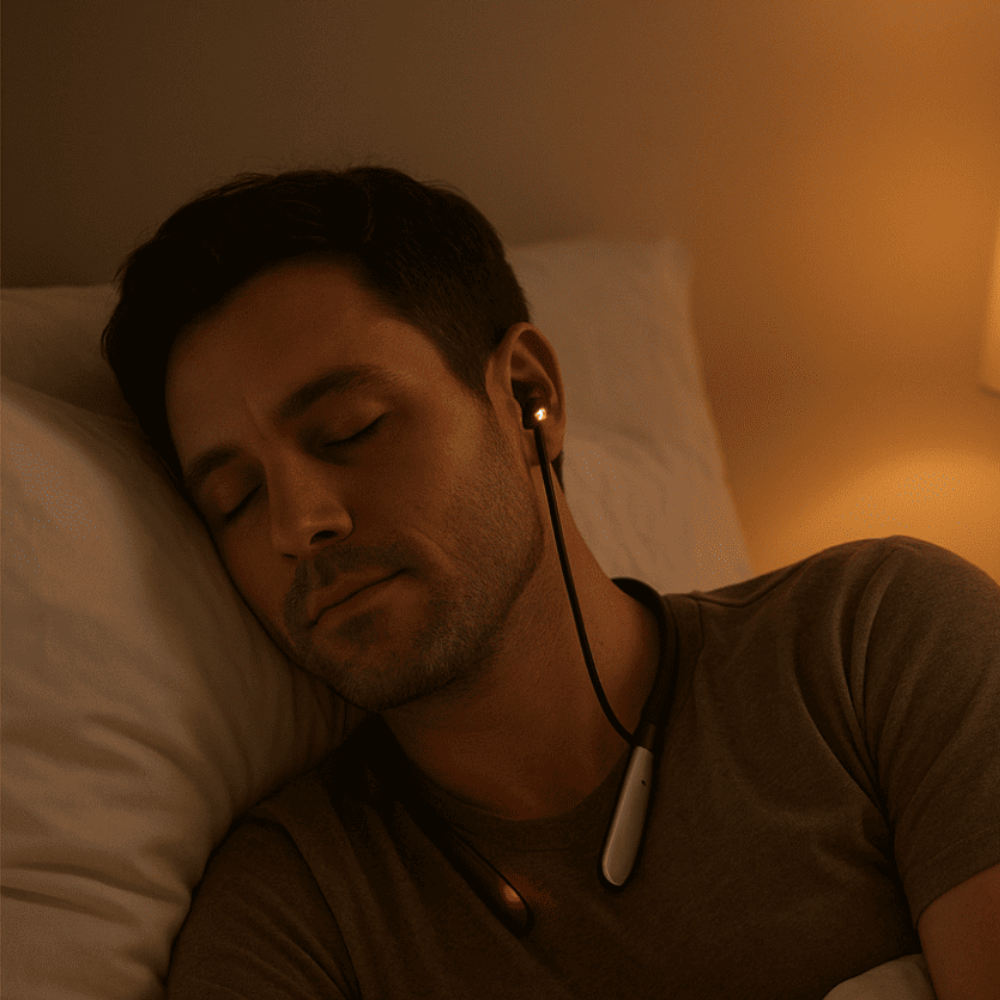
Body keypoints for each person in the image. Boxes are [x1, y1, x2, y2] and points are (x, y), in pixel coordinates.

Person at [101, 166, 1000, 999]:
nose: (297, 524)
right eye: (233, 498)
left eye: (351, 428)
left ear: (528, 395)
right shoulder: (299, 912)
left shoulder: (880, 644)